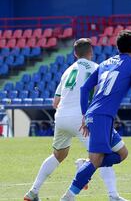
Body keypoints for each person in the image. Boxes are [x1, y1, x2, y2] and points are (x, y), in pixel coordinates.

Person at [24, 38, 125, 201]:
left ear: (75, 54)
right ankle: (113, 195)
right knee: (101, 153)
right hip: (82, 118)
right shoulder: (97, 68)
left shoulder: (67, 71)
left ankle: (33, 191)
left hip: (61, 117)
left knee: (58, 155)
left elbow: (55, 102)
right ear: (91, 52)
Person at [60, 30, 131, 200]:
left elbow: (85, 89)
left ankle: (85, 166)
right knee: (96, 160)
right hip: (102, 116)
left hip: (97, 114)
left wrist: (86, 114)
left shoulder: (105, 63)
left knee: (122, 153)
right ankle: (69, 196)